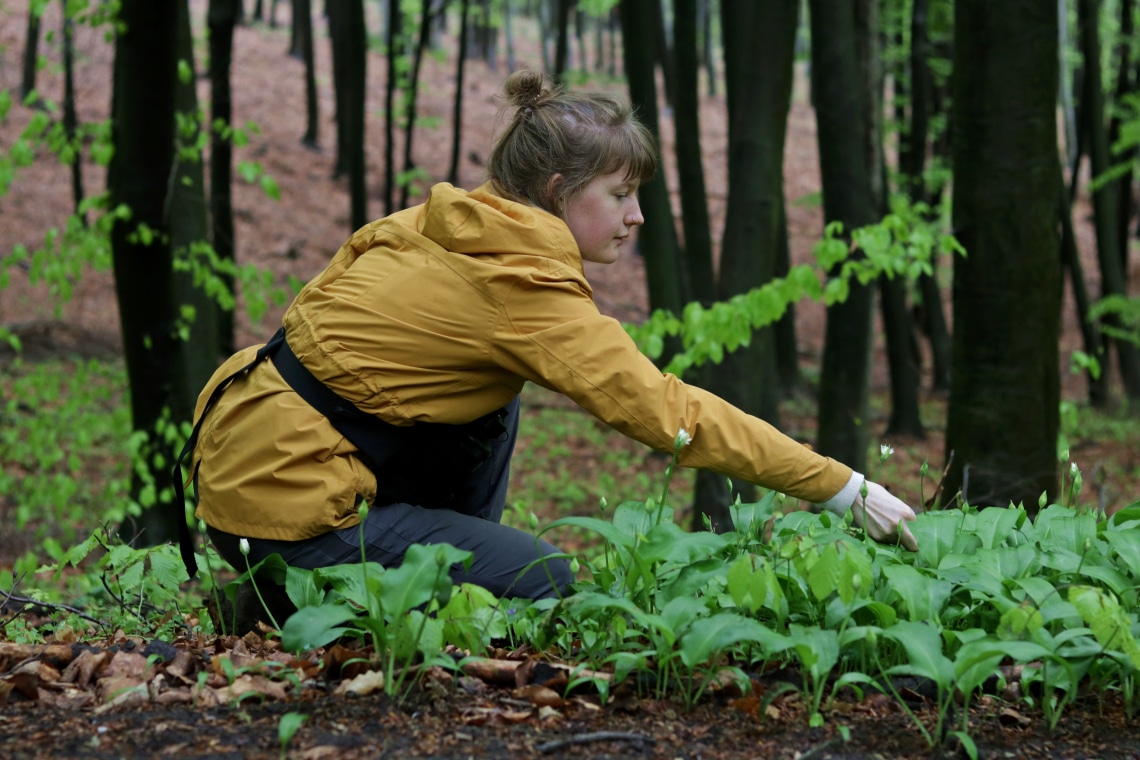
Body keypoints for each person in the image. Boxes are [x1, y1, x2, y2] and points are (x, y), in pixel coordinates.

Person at [176, 70, 918, 604]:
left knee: (498, 398)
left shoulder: (437, 223)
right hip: (288, 505)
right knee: (544, 579)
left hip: (242, 467)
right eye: (620, 197)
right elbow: (666, 412)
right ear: (560, 192)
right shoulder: (522, 289)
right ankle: (292, 596)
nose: (637, 219)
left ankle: (368, 577)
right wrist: (838, 486)